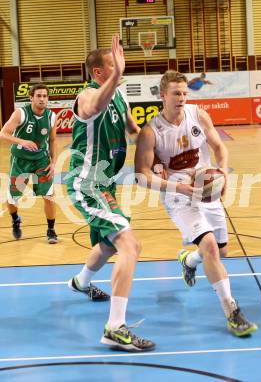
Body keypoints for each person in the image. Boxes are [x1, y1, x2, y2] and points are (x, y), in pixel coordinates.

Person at [135, 70, 258, 337]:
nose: (181, 98)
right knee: (211, 246)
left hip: (206, 189)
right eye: (176, 93)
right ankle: (232, 312)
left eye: (184, 93)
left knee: (221, 252)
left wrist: (223, 171)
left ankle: (189, 260)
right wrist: (177, 186)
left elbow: (218, 147)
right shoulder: (151, 131)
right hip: (178, 196)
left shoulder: (198, 115)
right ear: (162, 95)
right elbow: (142, 176)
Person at [66, 34, 155, 352]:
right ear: (98, 72)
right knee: (130, 245)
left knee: (108, 244)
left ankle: (81, 282)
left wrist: (161, 148)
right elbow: (95, 106)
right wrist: (118, 75)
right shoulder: (86, 96)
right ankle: (115, 328)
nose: (118, 67)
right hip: (86, 182)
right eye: (112, 65)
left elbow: (136, 132)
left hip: (106, 184)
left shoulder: (120, 97)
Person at [0, 83, 58, 243]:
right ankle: (15, 219)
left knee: (49, 196)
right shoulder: (20, 113)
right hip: (20, 161)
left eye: (45, 96)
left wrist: (54, 163)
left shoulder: (52, 116)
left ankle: (51, 229)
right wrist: (22, 141)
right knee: (13, 198)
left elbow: (53, 140)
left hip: (41, 161)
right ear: (31, 98)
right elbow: (3, 134)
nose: (42, 99)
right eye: (38, 96)